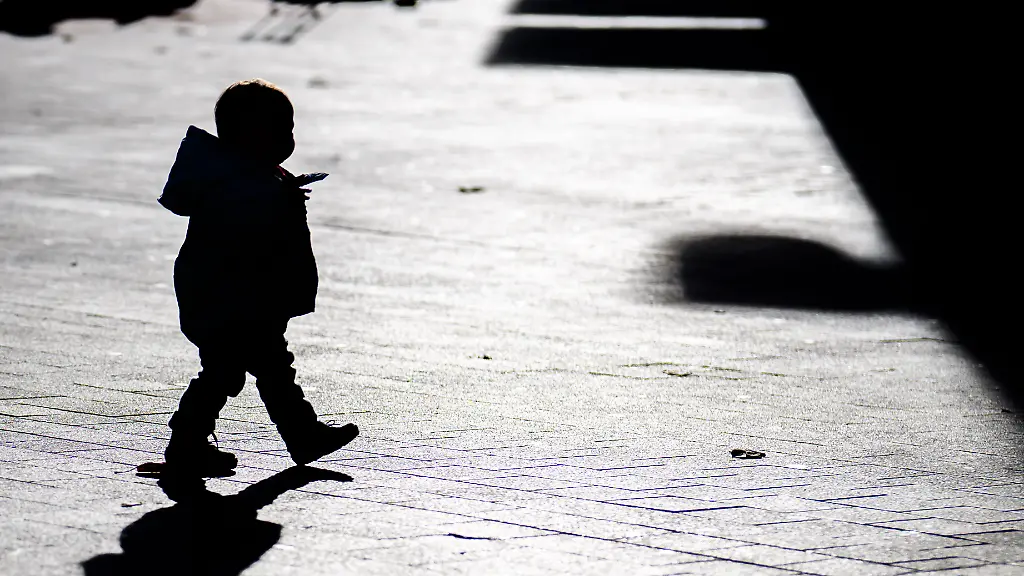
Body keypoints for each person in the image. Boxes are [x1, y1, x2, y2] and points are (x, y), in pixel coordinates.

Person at [157, 78, 357, 476]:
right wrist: (277, 203)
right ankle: (188, 443)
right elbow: (246, 241)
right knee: (230, 371)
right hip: (233, 299)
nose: (289, 138)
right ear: (252, 135)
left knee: (258, 368)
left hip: (238, 296)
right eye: (282, 129)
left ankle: (298, 434)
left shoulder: (253, 175)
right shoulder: (240, 182)